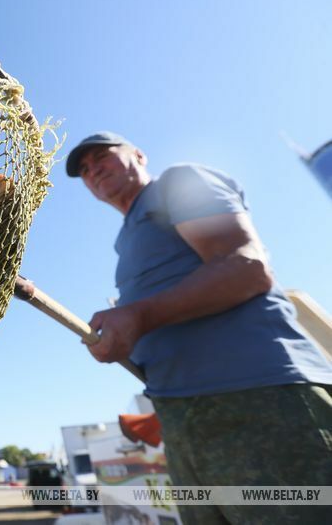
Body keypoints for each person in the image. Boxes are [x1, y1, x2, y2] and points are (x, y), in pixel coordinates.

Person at [66, 131, 332, 524]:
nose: (93, 171)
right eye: (85, 170)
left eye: (102, 157)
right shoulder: (125, 242)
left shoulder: (178, 183)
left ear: (138, 154)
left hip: (258, 399)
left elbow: (247, 268)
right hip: (185, 421)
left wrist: (139, 315)